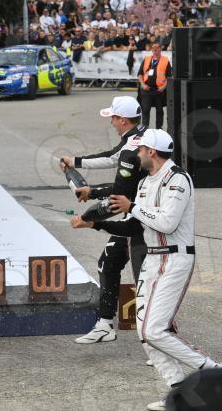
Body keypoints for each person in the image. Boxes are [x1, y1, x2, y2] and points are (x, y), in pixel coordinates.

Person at [71, 129, 222, 411]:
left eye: (140, 150)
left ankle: (215, 371)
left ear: (151, 152)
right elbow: (134, 227)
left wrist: (132, 206)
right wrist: (95, 224)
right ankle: (179, 392)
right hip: (152, 260)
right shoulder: (144, 183)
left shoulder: (178, 179)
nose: (136, 154)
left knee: (154, 330)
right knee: (144, 331)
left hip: (175, 260)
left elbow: (167, 223)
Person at [59, 96, 147, 345]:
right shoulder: (137, 136)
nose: (111, 123)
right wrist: (75, 162)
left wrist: (92, 193)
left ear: (123, 120)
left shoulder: (132, 147)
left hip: (146, 220)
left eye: (113, 118)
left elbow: (120, 190)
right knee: (108, 263)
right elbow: (111, 157)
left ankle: (162, 336)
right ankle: (105, 325)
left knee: (145, 278)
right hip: (133, 214)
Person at [137, 43, 172, 129]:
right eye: (153, 48)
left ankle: (159, 129)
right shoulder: (146, 59)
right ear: (151, 50)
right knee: (145, 110)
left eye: (157, 47)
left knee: (159, 111)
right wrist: (143, 84)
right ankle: (145, 129)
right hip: (146, 89)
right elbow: (140, 74)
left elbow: (169, 77)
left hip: (159, 90)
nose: (155, 49)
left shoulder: (165, 60)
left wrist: (163, 87)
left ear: (160, 49)